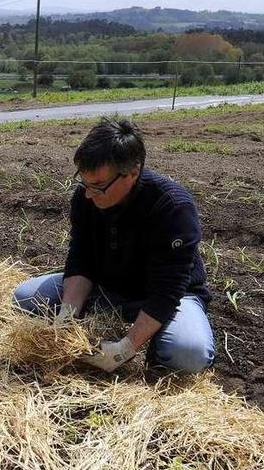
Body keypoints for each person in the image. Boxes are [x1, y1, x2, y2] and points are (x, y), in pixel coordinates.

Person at [13, 118, 214, 374]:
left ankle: (155, 343)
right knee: (25, 298)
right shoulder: (86, 198)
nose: (88, 194)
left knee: (188, 354)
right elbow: (81, 258)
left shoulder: (172, 206)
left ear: (133, 172)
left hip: (170, 296)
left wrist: (125, 349)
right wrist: (67, 317)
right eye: (84, 183)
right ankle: (105, 319)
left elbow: (167, 291)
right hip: (107, 288)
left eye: (98, 186)